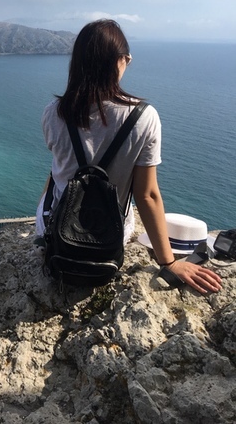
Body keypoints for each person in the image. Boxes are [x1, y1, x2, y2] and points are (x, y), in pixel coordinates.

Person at [36, 19, 221, 294]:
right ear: (120, 61)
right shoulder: (144, 117)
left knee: (55, 176)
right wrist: (169, 262)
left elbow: (58, 170)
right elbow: (147, 195)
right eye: (127, 59)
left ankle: (42, 229)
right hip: (108, 240)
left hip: (56, 233)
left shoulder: (54, 112)